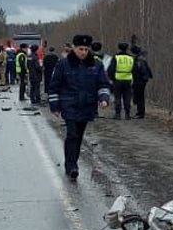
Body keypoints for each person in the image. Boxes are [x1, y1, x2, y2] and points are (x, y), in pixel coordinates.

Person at [48, 34, 111, 180]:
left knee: (79, 136)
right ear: (74, 48)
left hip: (87, 107)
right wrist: (55, 106)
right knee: (72, 135)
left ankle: (72, 162)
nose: (83, 52)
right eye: (80, 49)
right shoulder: (63, 64)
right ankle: (71, 167)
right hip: (69, 105)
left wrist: (104, 98)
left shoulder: (96, 65)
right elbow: (54, 86)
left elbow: (103, 84)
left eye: (86, 49)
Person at [106, 42, 135, 119]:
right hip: (128, 79)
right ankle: (127, 114)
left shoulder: (116, 57)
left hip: (117, 79)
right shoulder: (131, 58)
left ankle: (118, 114)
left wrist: (111, 78)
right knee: (127, 97)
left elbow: (111, 69)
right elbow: (134, 69)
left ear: (119, 48)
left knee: (117, 97)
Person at [131, 44, 153, 118]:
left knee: (140, 97)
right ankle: (139, 112)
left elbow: (143, 71)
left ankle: (140, 113)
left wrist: (143, 80)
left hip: (140, 81)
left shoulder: (139, 61)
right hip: (140, 80)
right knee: (139, 96)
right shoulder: (140, 59)